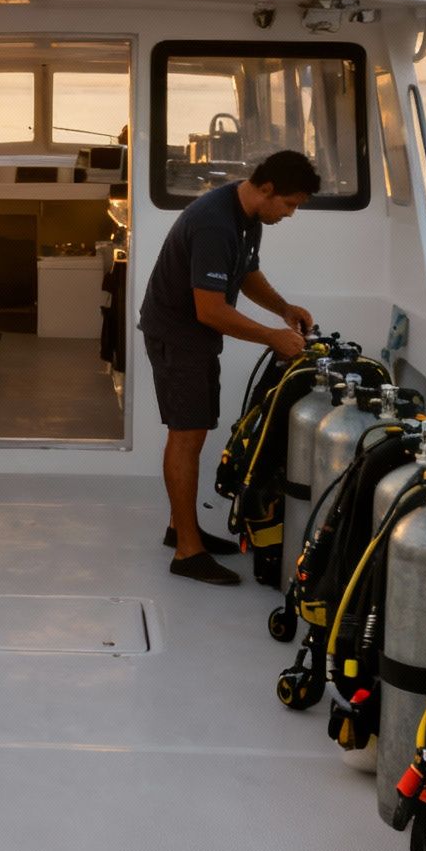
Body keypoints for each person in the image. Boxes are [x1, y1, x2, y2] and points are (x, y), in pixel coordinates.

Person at [139, 150, 321, 585]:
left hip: (194, 338)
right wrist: (274, 337)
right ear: (267, 189)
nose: (290, 214)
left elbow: (245, 273)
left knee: (195, 431)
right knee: (185, 436)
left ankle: (179, 529)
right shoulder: (214, 223)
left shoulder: (247, 216)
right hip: (177, 336)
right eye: (290, 204)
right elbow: (211, 310)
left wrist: (283, 309)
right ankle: (187, 552)